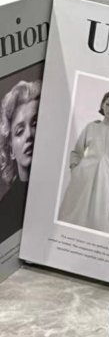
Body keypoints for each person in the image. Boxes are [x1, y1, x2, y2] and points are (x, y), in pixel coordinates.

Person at [58, 91, 109, 233]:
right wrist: (75, 171)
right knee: (72, 219)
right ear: (102, 105)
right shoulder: (91, 127)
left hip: (105, 184)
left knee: (98, 225)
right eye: (108, 104)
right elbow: (76, 152)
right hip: (82, 179)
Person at [0, 79, 41, 241]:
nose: (29, 135)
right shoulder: (4, 211)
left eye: (35, 124)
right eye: (19, 131)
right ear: (10, 150)